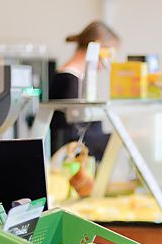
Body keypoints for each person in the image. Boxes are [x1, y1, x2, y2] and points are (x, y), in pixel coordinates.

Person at [49, 20, 120, 161]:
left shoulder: (78, 78)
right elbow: (71, 134)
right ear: (98, 46)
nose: (110, 59)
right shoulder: (68, 79)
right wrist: (114, 140)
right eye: (110, 52)